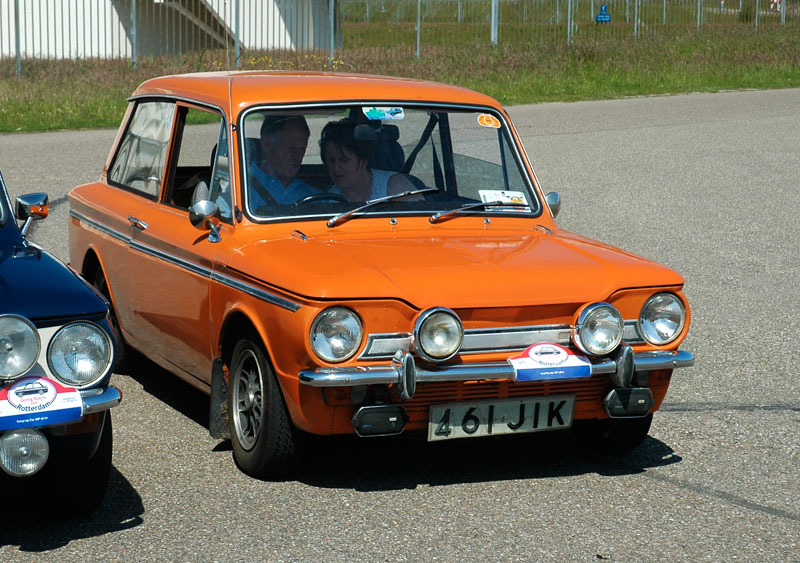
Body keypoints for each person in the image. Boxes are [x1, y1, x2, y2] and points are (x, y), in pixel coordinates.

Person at [319, 119, 417, 202]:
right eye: (331, 161)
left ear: (363, 160)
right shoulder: (329, 198)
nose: (336, 168)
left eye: (344, 160)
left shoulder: (395, 186)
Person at [248, 114, 320, 208]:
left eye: (302, 148)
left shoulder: (316, 195)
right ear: (266, 144)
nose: (297, 156)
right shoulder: (243, 190)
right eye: (291, 148)